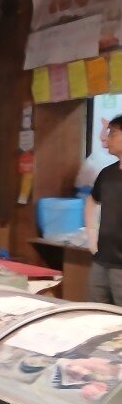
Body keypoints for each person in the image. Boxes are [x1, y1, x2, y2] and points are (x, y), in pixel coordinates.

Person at [86, 114, 122, 304]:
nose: (107, 141)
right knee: (96, 316)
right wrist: (91, 235)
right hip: (102, 260)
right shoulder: (107, 173)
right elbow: (91, 201)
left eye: (113, 134)